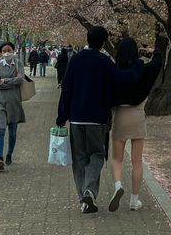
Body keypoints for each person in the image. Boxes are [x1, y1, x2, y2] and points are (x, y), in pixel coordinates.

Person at [56, 26, 145, 214]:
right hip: (98, 119)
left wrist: (61, 116)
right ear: (103, 42)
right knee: (97, 155)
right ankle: (89, 189)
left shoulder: (76, 60)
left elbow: (66, 89)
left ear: (87, 39)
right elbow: (122, 80)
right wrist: (138, 66)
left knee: (79, 158)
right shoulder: (104, 62)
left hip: (77, 119)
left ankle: (84, 197)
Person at [109, 37, 162, 213]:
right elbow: (158, 61)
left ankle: (118, 185)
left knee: (117, 158)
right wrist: (149, 51)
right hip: (138, 116)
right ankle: (134, 200)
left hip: (120, 116)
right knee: (136, 161)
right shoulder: (144, 71)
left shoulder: (114, 72)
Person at [0, 41, 25, 170]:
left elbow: (20, 79)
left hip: (14, 102)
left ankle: (9, 154)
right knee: (1, 129)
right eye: (4, 51)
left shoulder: (18, 64)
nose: (7, 53)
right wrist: (12, 82)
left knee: (12, 132)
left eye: (9, 50)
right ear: (0, 53)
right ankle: (0, 158)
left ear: (14, 50)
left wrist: (5, 80)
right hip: (0, 102)